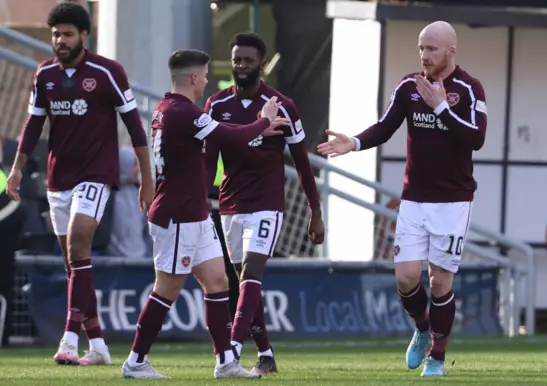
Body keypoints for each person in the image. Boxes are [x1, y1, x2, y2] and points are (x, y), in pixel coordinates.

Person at [317, 21, 487, 377]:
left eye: (432, 49)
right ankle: (423, 330)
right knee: (406, 278)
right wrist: (354, 143)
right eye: (421, 48)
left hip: (453, 201)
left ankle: (437, 358)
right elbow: (385, 126)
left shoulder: (469, 90)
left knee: (440, 282)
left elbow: (476, 139)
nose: (425, 55)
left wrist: (441, 107)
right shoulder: (409, 86)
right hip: (414, 198)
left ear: (451, 51)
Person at [121, 49, 289, 380]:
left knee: (218, 282)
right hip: (178, 215)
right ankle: (136, 361)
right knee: (166, 289)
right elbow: (229, 136)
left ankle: (226, 361)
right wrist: (264, 120)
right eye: (207, 74)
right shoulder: (183, 112)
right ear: (195, 78)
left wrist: (256, 128)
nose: (209, 79)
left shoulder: (170, 109)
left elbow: (224, 134)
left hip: (195, 214)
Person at [5, 2, 154, 366]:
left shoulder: (107, 72)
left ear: (84, 36)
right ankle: (99, 344)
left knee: (78, 246)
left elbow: (136, 127)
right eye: (56, 34)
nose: (60, 40)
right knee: (74, 263)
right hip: (60, 178)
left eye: (67, 34)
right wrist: (17, 169)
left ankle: (69, 339)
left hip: (96, 175)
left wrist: (147, 179)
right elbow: (32, 127)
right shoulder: (44, 75)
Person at [204, 32, 325, 374]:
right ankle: (267, 354)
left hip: (267, 203)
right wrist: (200, 197)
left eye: (248, 60)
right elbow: (209, 158)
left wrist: (315, 211)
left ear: (261, 64)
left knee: (252, 275)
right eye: (237, 59)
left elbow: (302, 162)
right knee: (244, 282)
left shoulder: (283, 104)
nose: (242, 66)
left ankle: (231, 353)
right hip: (230, 204)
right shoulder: (216, 105)